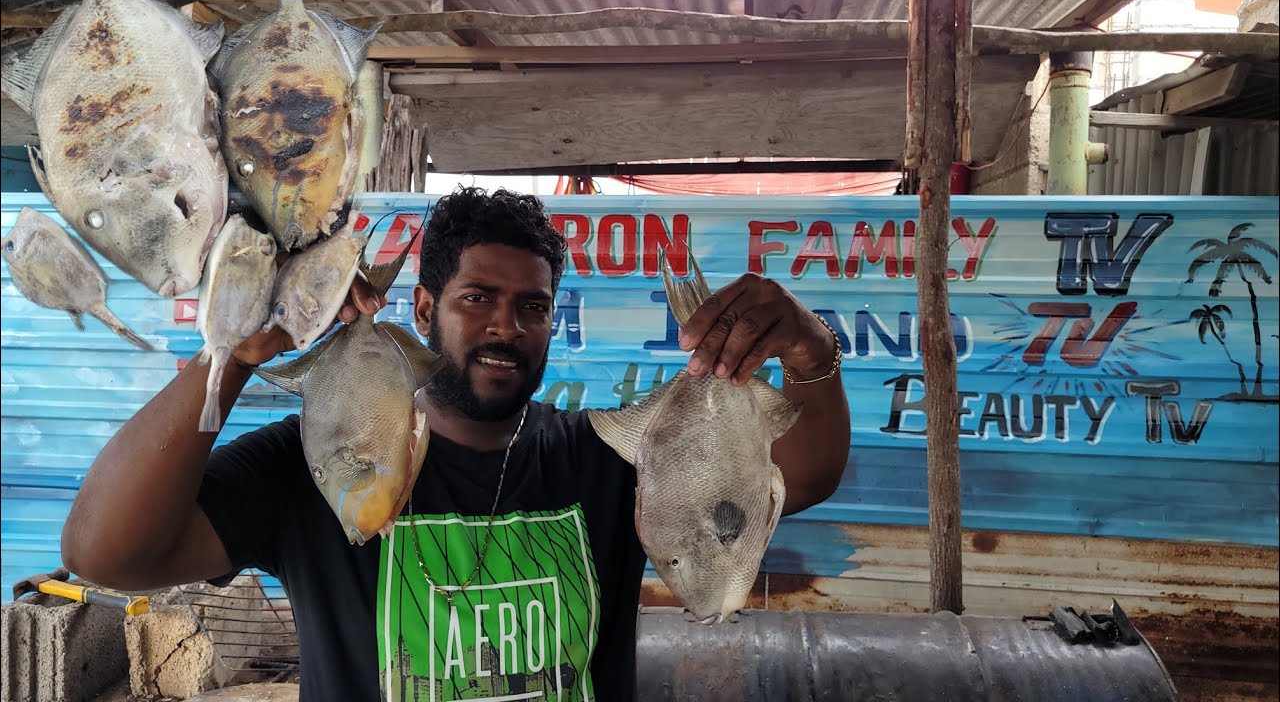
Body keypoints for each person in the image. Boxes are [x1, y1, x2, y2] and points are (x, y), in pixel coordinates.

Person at [61, 186, 851, 701]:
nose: (507, 325)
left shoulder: (603, 458)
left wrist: (812, 354)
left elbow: (806, 476)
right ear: (426, 308)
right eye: (478, 298)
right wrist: (230, 356)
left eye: (532, 307)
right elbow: (105, 553)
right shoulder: (318, 460)